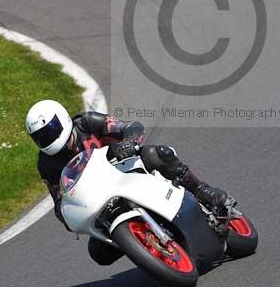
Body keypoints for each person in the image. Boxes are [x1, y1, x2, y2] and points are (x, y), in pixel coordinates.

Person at [25, 100, 232, 266]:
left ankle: (202, 191)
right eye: (40, 137)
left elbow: (131, 127)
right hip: (98, 196)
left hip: (125, 166)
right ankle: (142, 243)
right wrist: (69, 215)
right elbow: (58, 200)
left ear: (62, 120)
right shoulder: (46, 165)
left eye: (50, 130)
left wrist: (127, 143)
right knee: (98, 253)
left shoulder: (86, 122)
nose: (47, 139)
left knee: (155, 153)